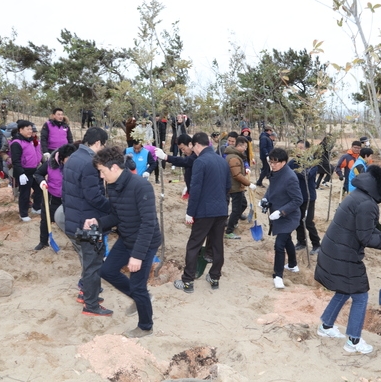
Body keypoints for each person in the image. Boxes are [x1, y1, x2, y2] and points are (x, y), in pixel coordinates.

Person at [314, 165, 381, 354]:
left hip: (335, 249)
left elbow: (366, 229)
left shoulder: (360, 194)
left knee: (344, 290)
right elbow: (367, 238)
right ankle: (354, 341)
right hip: (343, 254)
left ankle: (326, 326)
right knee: (360, 295)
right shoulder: (367, 204)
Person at [83, 146, 162, 338]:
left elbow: (148, 223)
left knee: (138, 285)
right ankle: (138, 297)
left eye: (102, 171)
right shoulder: (113, 185)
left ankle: (145, 326)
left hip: (145, 241)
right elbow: (116, 216)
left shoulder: (141, 186)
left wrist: (138, 256)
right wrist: (98, 222)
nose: (101, 177)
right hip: (127, 237)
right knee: (107, 271)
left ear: (115, 168)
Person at [62, 127, 112, 316]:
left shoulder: (73, 158)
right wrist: (111, 209)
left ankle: (86, 293)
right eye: (103, 145)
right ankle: (91, 305)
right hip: (88, 222)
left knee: (88, 261)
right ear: (98, 143)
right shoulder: (91, 163)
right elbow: (94, 196)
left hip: (74, 219)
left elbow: (66, 193)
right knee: (94, 264)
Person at [174, 132, 230, 293]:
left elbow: (196, 190)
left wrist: (190, 212)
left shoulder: (200, 162)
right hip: (221, 211)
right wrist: (223, 206)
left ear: (197, 145)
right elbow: (227, 187)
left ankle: (187, 282)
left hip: (204, 212)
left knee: (194, 244)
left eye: (193, 146)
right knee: (217, 245)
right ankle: (214, 278)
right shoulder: (222, 160)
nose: (193, 150)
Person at [259, 147, 303, 288]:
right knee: (287, 239)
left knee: (279, 244)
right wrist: (264, 200)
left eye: (275, 162)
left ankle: (278, 276)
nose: (272, 165)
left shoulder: (290, 177)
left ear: (284, 162)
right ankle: (292, 264)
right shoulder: (275, 173)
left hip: (289, 217)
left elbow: (298, 200)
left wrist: (281, 212)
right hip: (278, 214)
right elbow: (271, 189)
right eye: (271, 162)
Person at [32, 143, 77, 251]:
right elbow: (38, 173)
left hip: (69, 198)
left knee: (71, 221)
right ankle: (43, 242)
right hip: (52, 197)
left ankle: (76, 243)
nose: (71, 161)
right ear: (61, 157)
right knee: (45, 220)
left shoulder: (76, 165)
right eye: (69, 159)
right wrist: (42, 182)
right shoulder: (50, 163)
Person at [289, 140, 321, 254]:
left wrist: (294, 172)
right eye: (297, 148)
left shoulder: (312, 163)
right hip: (296, 197)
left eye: (302, 148)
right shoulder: (292, 162)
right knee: (297, 220)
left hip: (308, 197)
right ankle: (301, 242)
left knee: (308, 222)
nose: (299, 150)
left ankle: (316, 244)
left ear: (308, 150)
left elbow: (305, 175)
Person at [10, 120, 43, 221]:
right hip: (24, 172)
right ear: (21, 130)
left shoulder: (30, 141)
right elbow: (16, 160)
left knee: (39, 189)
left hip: (33, 170)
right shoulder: (16, 143)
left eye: (31, 129)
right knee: (25, 193)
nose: (30, 131)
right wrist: (21, 173)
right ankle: (23, 214)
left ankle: (36, 207)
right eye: (27, 129)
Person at [224, 137, 256, 239]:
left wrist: (245, 170)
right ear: (240, 145)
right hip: (235, 187)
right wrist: (249, 183)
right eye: (245, 147)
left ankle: (233, 222)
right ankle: (229, 231)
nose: (246, 149)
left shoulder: (236, 157)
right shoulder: (234, 158)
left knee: (243, 204)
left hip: (238, 186)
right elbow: (236, 175)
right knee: (236, 209)